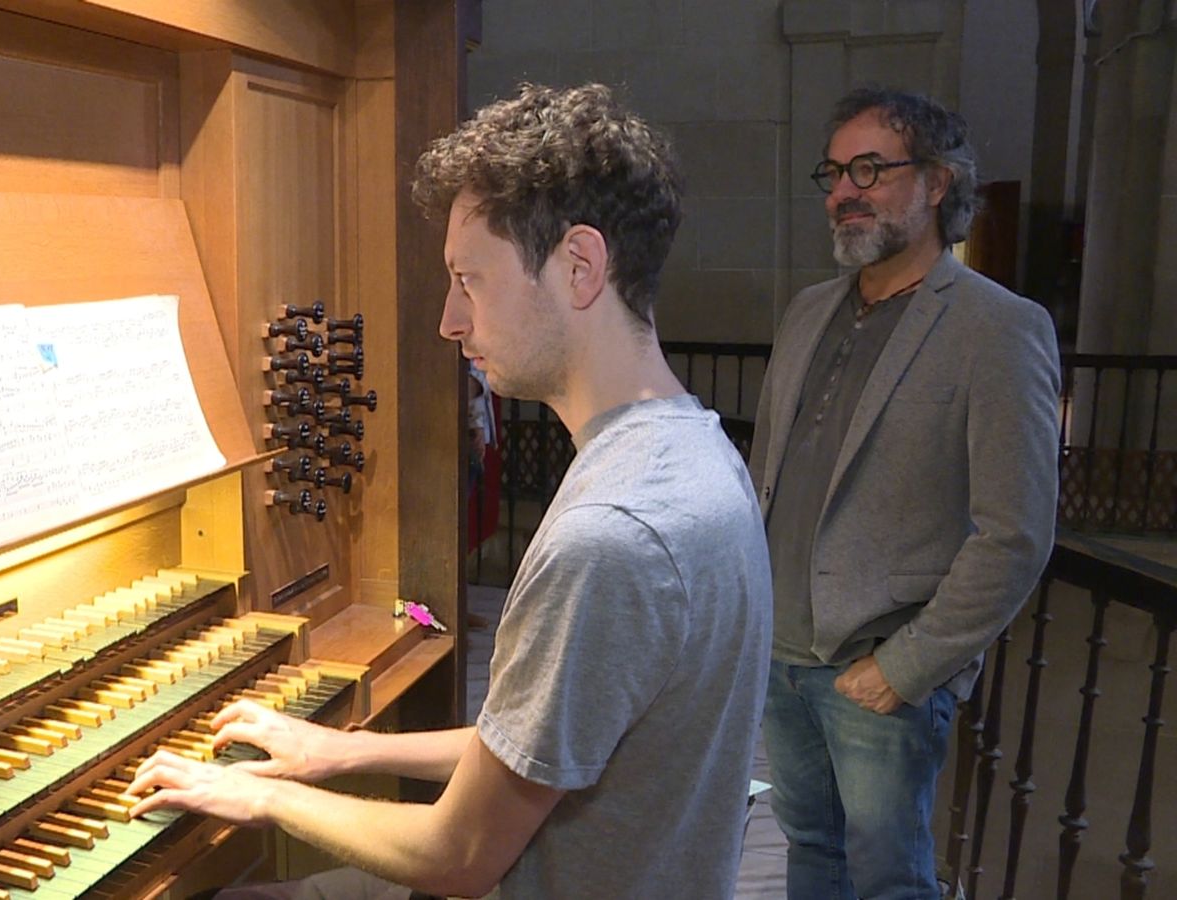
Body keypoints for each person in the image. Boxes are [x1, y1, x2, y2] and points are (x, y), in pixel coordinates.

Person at [127, 83, 773, 899]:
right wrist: (346, 751)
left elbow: (457, 854)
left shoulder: (610, 534)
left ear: (579, 266)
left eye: (468, 280)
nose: (447, 321)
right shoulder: (696, 451)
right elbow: (547, 739)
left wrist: (260, 794)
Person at [748, 87, 1060, 899]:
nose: (842, 191)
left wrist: (908, 667)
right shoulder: (808, 311)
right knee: (812, 851)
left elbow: (1016, 534)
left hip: (878, 671)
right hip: (780, 656)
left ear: (937, 183)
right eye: (833, 172)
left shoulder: (998, 327)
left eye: (868, 169)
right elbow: (768, 477)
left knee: (890, 880)